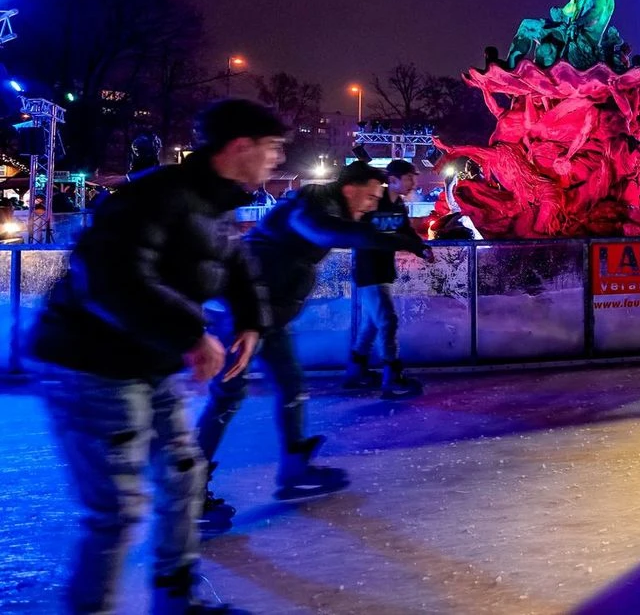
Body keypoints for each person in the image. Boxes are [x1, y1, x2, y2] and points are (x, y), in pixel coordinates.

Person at [29, 99, 286, 614]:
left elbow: (234, 262)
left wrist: (252, 321)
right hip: (91, 365)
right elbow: (110, 280)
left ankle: (176, 594)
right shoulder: (153, 197)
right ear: (240, 147)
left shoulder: (214, 203)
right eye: (273, 148)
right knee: (117, 511)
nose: (278, 160)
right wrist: (191, 333)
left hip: (151, 361)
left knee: (184, 473)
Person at [197, 161, 430, 516]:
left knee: (291, 385)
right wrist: (396, 239)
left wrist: (411, 240)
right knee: (228, 394)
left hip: (269, 314)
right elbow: (325, 233)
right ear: (349, 187)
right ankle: (189, 490)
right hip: (242, 308)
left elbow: (380, 224)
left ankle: (294, 467)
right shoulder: (311, 205)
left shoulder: (348, 210)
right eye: (369, 196)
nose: (371, 205)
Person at [345, 159, 432, 399]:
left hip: (384, 270)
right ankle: (392, 376)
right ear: (392, 180)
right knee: (388, 320)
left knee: (372, 323)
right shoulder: (373, 201)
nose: (413, 183)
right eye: (408, 178)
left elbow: (406, 233)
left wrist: (421, 249)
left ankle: (356, 370)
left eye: (413, 178)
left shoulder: (399, 206)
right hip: (367, 270)